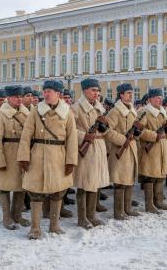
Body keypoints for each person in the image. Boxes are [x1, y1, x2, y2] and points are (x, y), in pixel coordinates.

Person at [18, 80, 77, 238]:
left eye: (49, 91)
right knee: (36, 193)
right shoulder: (36, 111)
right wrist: (23, 157)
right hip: (38, 154)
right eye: (44, 91)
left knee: (58, 192)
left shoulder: (67, 113)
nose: (46, 94)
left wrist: (71, 160)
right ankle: (35, 229)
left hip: (59, 155)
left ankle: (54, 225)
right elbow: (26, 135)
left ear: (58, 94)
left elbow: (72, 138)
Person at [71, 78, 110, 229]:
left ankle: (92, 215)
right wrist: (83, 136)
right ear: (85, 91)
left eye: (98, 90)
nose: (97, 93)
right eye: (93, 90)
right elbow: (68, 129)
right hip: (85, 148)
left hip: (99, 146)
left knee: (95, 182)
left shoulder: (100, 108)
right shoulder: (76, 108)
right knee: (83, 183)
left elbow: (105, 130)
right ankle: (82, 218)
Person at [0, 85, 30, 230]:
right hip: (7, 154)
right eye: (15, 97)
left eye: (20, 96)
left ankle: (17, 215)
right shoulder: (0, 116)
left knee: (21, 186)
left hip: (23, 154)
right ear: (8, 98)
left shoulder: (27, 114)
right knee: (4, 187)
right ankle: (7, 217)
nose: (19, 99)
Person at [105, 83, 141, 219]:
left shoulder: (132, 110)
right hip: (120, 149)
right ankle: (119, 211)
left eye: (132, 93)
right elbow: (107, 130)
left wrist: (137, 132)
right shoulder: (115, 111)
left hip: (131, 148)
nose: (131, 95)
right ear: (121, 95)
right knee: (120, 181)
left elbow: (135, 130)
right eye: (128, 93)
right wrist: (122, 139)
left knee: (130, 179)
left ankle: (127, 208)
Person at [138, 88, 167, 213]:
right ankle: (149, 204)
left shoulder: (162, 111)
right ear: (150, 99)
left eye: (161, 98)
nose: (160, 100)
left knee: (160, 175)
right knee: (150, 176)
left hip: (162, 146)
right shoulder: (144, 112)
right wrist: (154, 135)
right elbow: (139, 131)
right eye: (157, 98)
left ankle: (159, 201)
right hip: (151, 148)